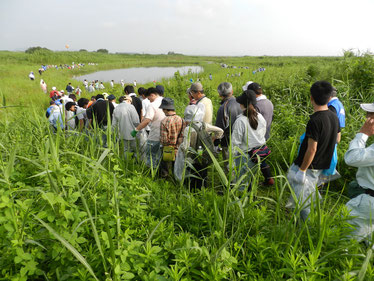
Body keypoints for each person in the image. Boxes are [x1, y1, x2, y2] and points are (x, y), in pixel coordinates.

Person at [287, 81, 340, 221]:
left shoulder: (315, 120)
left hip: (309, 166)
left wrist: (302, 170)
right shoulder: (334, 116)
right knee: (307, 192)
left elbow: (312, 149)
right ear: (329, 98)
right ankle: (305, 217)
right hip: (322, 164)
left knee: (302, 198)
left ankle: (305, 226)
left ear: (311, 98)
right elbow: (338, 139)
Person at [344, 101, 374, 242]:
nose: (366, 119)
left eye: (369, 115)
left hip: (368, 203)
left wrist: (363, 134)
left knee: (340, 240)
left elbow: (351, 158)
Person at [232, 90, 273, 190]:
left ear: (242, 104)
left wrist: (232, 161)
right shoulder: (260, 117)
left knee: (242, 184)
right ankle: (251, 198)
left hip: (244, 156)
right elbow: (262, 134)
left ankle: (242, 202)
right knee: (251, 178)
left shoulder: (240, 120)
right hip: (257, 155)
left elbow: (235, 143)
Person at [176, 105, 223, 190]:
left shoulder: (188, 129)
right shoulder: (204, 125)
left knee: (193, 174)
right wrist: (214, 140)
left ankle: (193, 191)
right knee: (203, 172)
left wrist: (180, 147)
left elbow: (186, 147)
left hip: (192, 157)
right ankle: (203, 189)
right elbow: (220, 130)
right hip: (204, 154)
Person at [131, 87, 165, 169]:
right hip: (165, 135)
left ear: (152, 95)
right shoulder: (165, 100)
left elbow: (146, 121)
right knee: (161, 155)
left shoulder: (152, 105)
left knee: (150, 154)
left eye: (149, 98)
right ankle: (161, 172)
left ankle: (152, 173)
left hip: (155, 135)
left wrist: (136, 130)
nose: (149, 100)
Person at [215, 82, 242, 173]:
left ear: (219, 94)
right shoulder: (240, 102)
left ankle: (231, 184)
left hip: (228, 141)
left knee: (229, 163)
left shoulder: (223, 107)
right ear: (232, 91)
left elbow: (219, 129)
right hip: (242, 139)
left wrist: (214, 140)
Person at [159, 98, 185, 178]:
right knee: (176, 167)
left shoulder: (164, 121)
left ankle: (165, 181)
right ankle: (176, 180)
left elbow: (164, 140)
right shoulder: (181, 119)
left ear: (165, 109)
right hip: (178, 147)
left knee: (165, 168)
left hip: (168, 148)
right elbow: (183, 134)